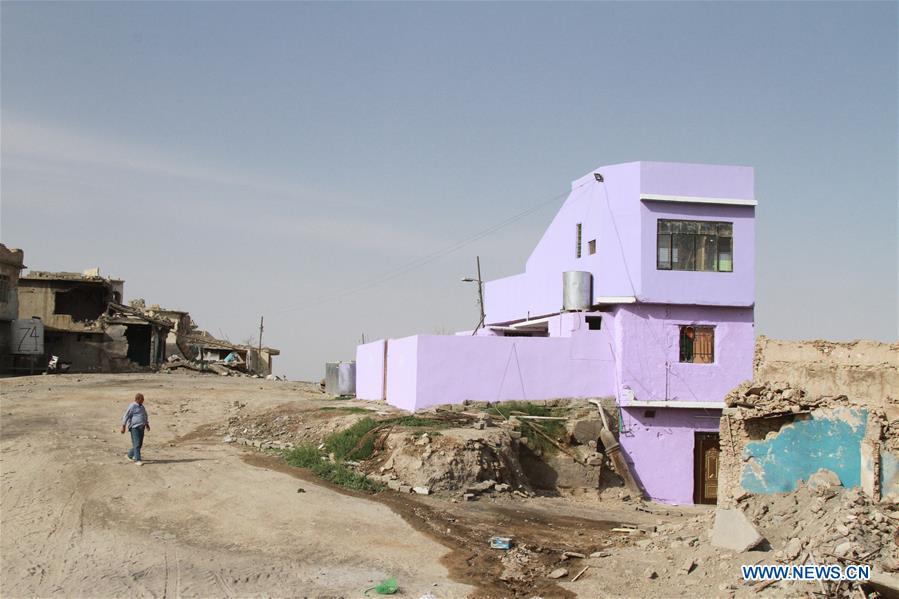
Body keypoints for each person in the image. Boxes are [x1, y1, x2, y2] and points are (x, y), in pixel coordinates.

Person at [121, 393, 150, 465]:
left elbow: (145, 416)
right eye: (142, 399)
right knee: (137, 444)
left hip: (142, 427)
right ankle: (138, 460)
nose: (143, 400)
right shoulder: (132, 406)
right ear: (137, 399)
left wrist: (147, 424)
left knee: (139, 444)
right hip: (135, 428)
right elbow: (126, 415)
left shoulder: (142, 407)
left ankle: (129, 455)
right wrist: (123, 426)